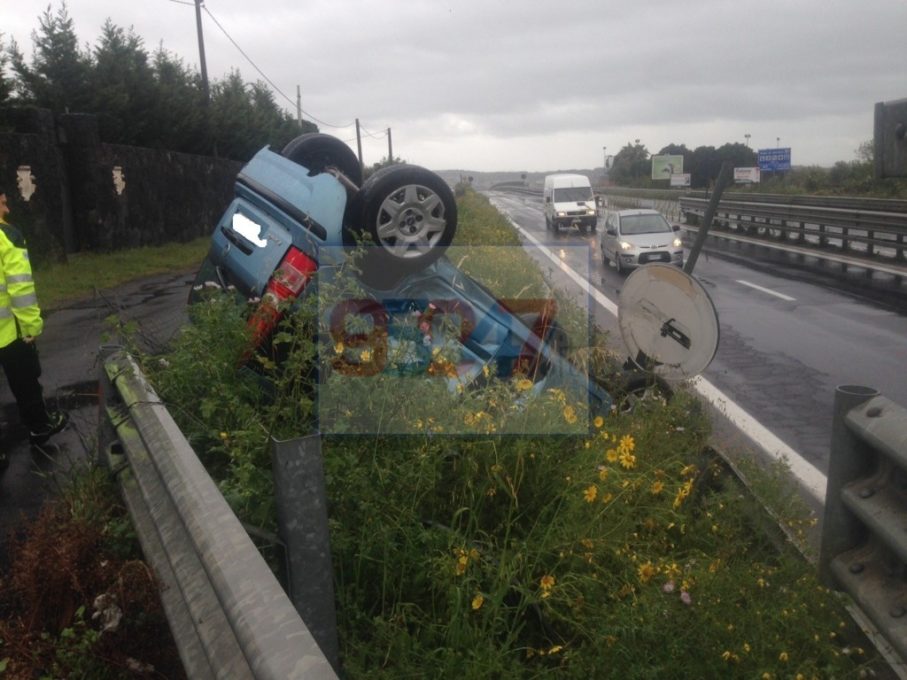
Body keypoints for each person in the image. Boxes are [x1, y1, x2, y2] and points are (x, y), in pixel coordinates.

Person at [0, 186, 68, 452]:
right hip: (10, 330)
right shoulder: (7, 235)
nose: (7, 209)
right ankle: (40, 427)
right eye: (3, 203)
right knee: (26, 382)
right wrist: (32, 325)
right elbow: (21, 288)